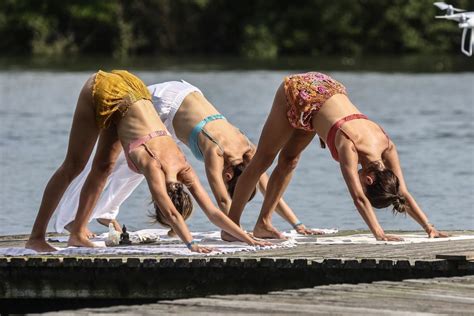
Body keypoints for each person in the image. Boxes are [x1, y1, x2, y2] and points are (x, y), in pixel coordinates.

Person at [25, 70, 269, 253]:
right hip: (106, 90)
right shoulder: (156, 166)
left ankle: (77, 233)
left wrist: (247, 238)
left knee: (103, 168)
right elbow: (173, 213)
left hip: (133, 94)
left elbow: (213, 212)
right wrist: (191, 244)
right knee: (74, 166)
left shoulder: (183, 167)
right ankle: (36, 237)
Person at [54, 80, 322, 239]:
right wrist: (237, 231)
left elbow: (265, 185)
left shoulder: (247, 150)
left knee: (140, 165)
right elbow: (222, 201)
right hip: (163, 104)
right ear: (230, 175)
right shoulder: (215, 153)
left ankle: (103, 213)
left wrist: (296, 224)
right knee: (118, 163)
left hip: (185, 94)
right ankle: (75, 218)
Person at [227, 72, 449, 241]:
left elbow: (401, 191)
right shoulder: (349, 145)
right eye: (365, 186)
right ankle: (231, 227)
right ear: (369, 180)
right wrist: (379, 233)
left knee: (289, 161)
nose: (361, 186)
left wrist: (429, 227)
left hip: (324, 96)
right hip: (300, 91)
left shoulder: (387, 146)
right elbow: (358, 198)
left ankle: (263, 223)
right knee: (262, 160)